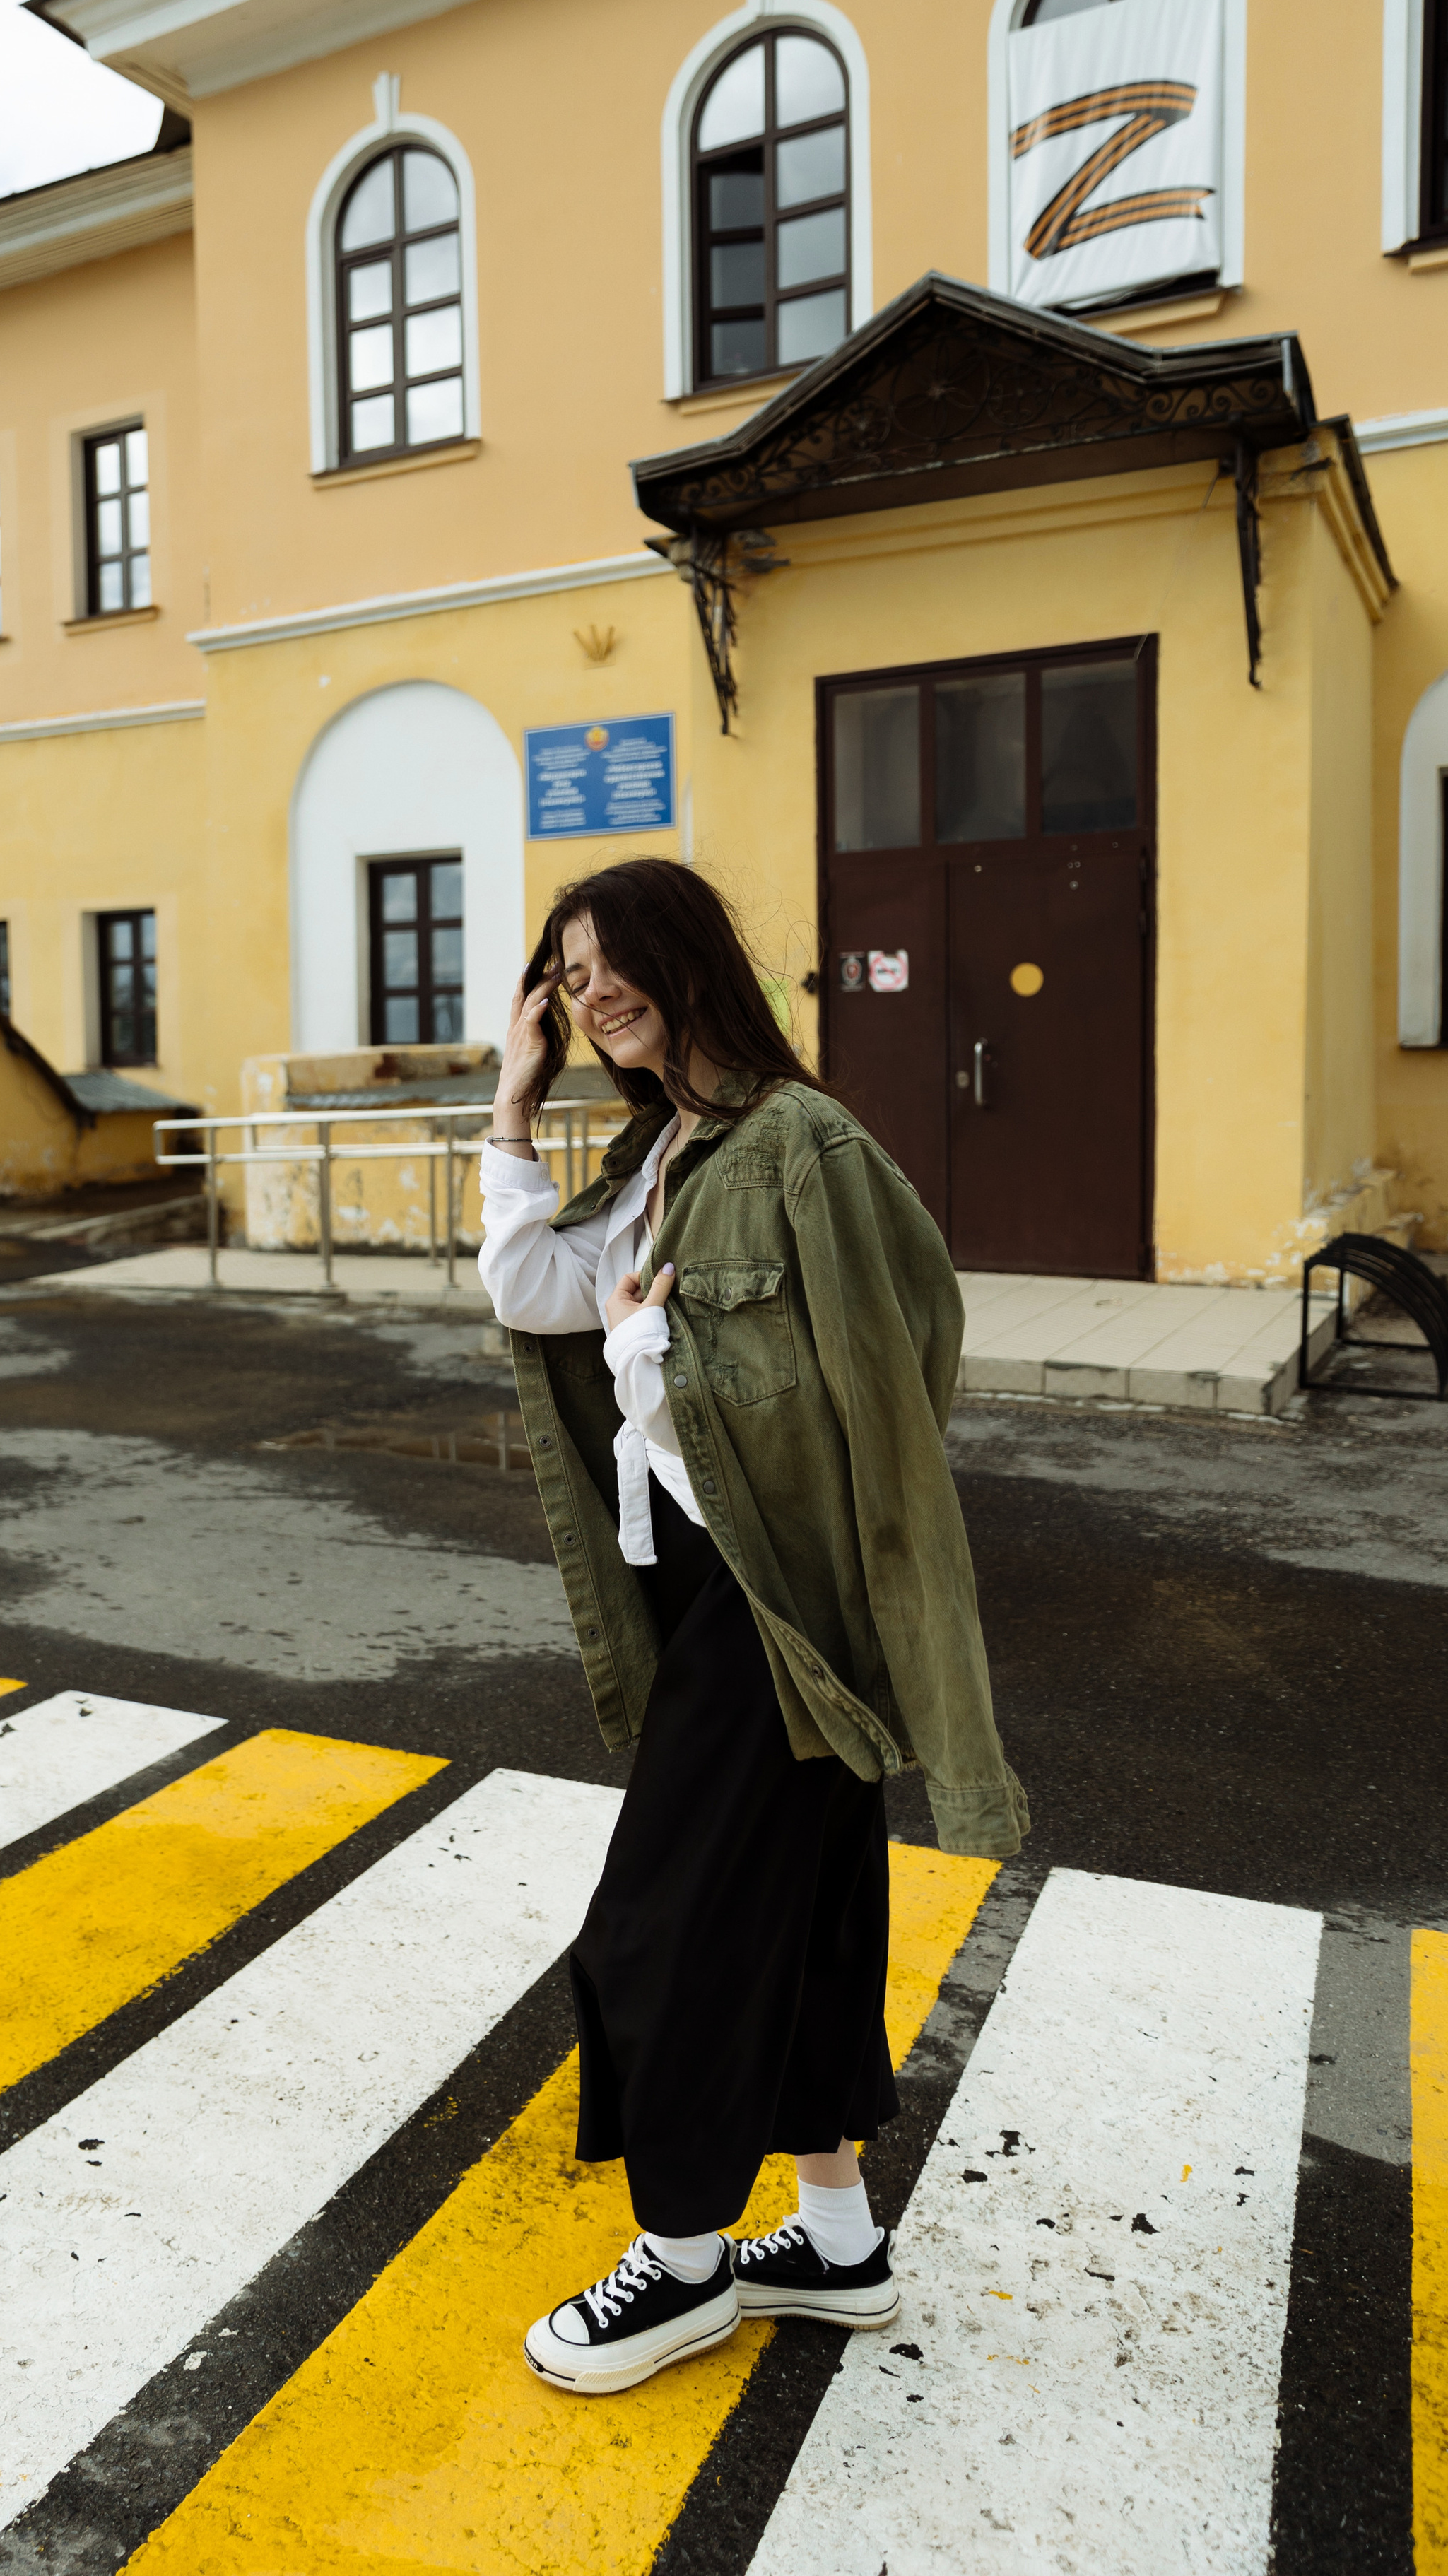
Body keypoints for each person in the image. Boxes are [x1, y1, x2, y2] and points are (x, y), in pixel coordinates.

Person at [476, 857, 1028, 2399]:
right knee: (804, 1922)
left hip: (777, 1609)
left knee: (657, 1934)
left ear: (686, 954)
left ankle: (683, 2264)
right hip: (715, 1595)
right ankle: (837, 2242)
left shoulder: (799, 1146)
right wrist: (515, 1106)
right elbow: (530, 1287)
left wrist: (650, 1356)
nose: (591, 992)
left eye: (611, 960)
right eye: (567, 975)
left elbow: (897, 1377)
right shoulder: (665, 1149)